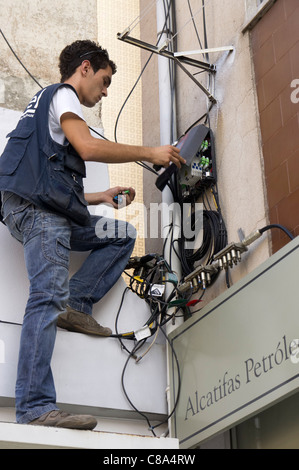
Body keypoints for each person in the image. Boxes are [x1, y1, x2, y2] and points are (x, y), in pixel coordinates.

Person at [0, 39, 184, 430]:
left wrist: (99, 195)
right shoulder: (64, 95)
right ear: (84, 68)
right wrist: (150, 153)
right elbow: (86, 147)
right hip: (41, 214)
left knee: (120, 234)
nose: (104, 92)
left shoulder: (44, 107)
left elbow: (43, 176)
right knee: (46, 296)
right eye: (103, 81)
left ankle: (77, 306)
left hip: (43, 207)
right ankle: (34, 408)